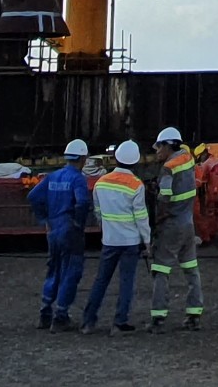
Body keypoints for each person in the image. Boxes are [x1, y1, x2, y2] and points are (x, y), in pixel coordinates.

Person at [81, 140, 150, 336]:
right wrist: (147, 241)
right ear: (135, 161)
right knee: (126, 282)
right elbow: (141, 217)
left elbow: (98, 212)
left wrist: (106, 230)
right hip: (130, 242)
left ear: (116, 158)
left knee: (101, 280)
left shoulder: (100, 183)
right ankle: (119, 323)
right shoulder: (136, 185)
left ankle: (88, 322)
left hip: (109, 240)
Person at [29, 139, 94, 331]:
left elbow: (33, 196)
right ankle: (61, 315)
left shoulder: (52, 176)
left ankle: (45, 312)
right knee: (71, 271)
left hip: (53, 230)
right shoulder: (78, 179)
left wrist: (45, 219)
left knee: (54, 269)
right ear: (83, 158)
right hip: (70, 230)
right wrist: (78, 223)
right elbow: (82, 203)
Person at [146, 127, 205, 332]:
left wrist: (157, 222)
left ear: (167, 145)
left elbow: (165, 199)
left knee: (161, 270)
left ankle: (158, 318)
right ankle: (194, 315)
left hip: (171, 224)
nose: (157, 152)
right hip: (188, 224)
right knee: (191, 269)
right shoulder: (188, 158)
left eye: (158, 147)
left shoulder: (168, 167)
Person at [194, 143, 218, 244]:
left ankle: (210, 235)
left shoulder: (206, 164)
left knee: (210, 213)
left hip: (214, 191)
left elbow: (201, 181)